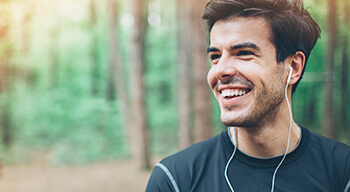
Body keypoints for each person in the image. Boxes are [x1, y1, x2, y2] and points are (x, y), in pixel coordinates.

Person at [146, 0, 350, 191]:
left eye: (243, 53)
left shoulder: (342, 172)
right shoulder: (175, 181)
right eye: (215, 57)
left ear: (293, 67)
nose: (220, 70)